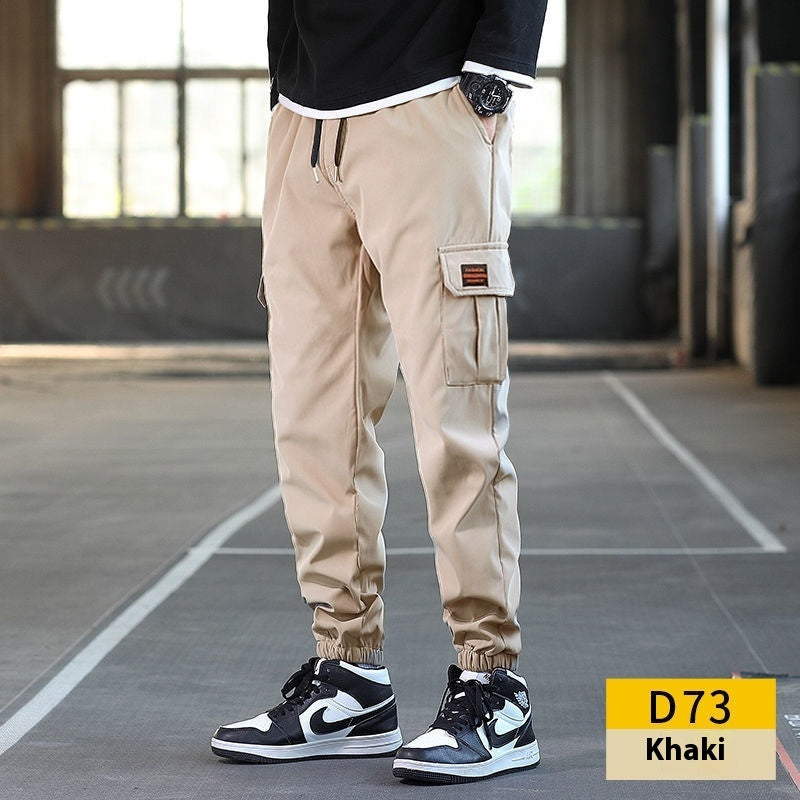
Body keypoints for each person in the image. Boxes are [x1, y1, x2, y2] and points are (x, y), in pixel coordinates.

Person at [211, 0, 548, 784]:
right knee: (314, 420)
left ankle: (493, 686)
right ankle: (350, 675)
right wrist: (286, 79)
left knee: (455, 413)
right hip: (306, 121)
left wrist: (498, 64)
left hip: (429, 100)